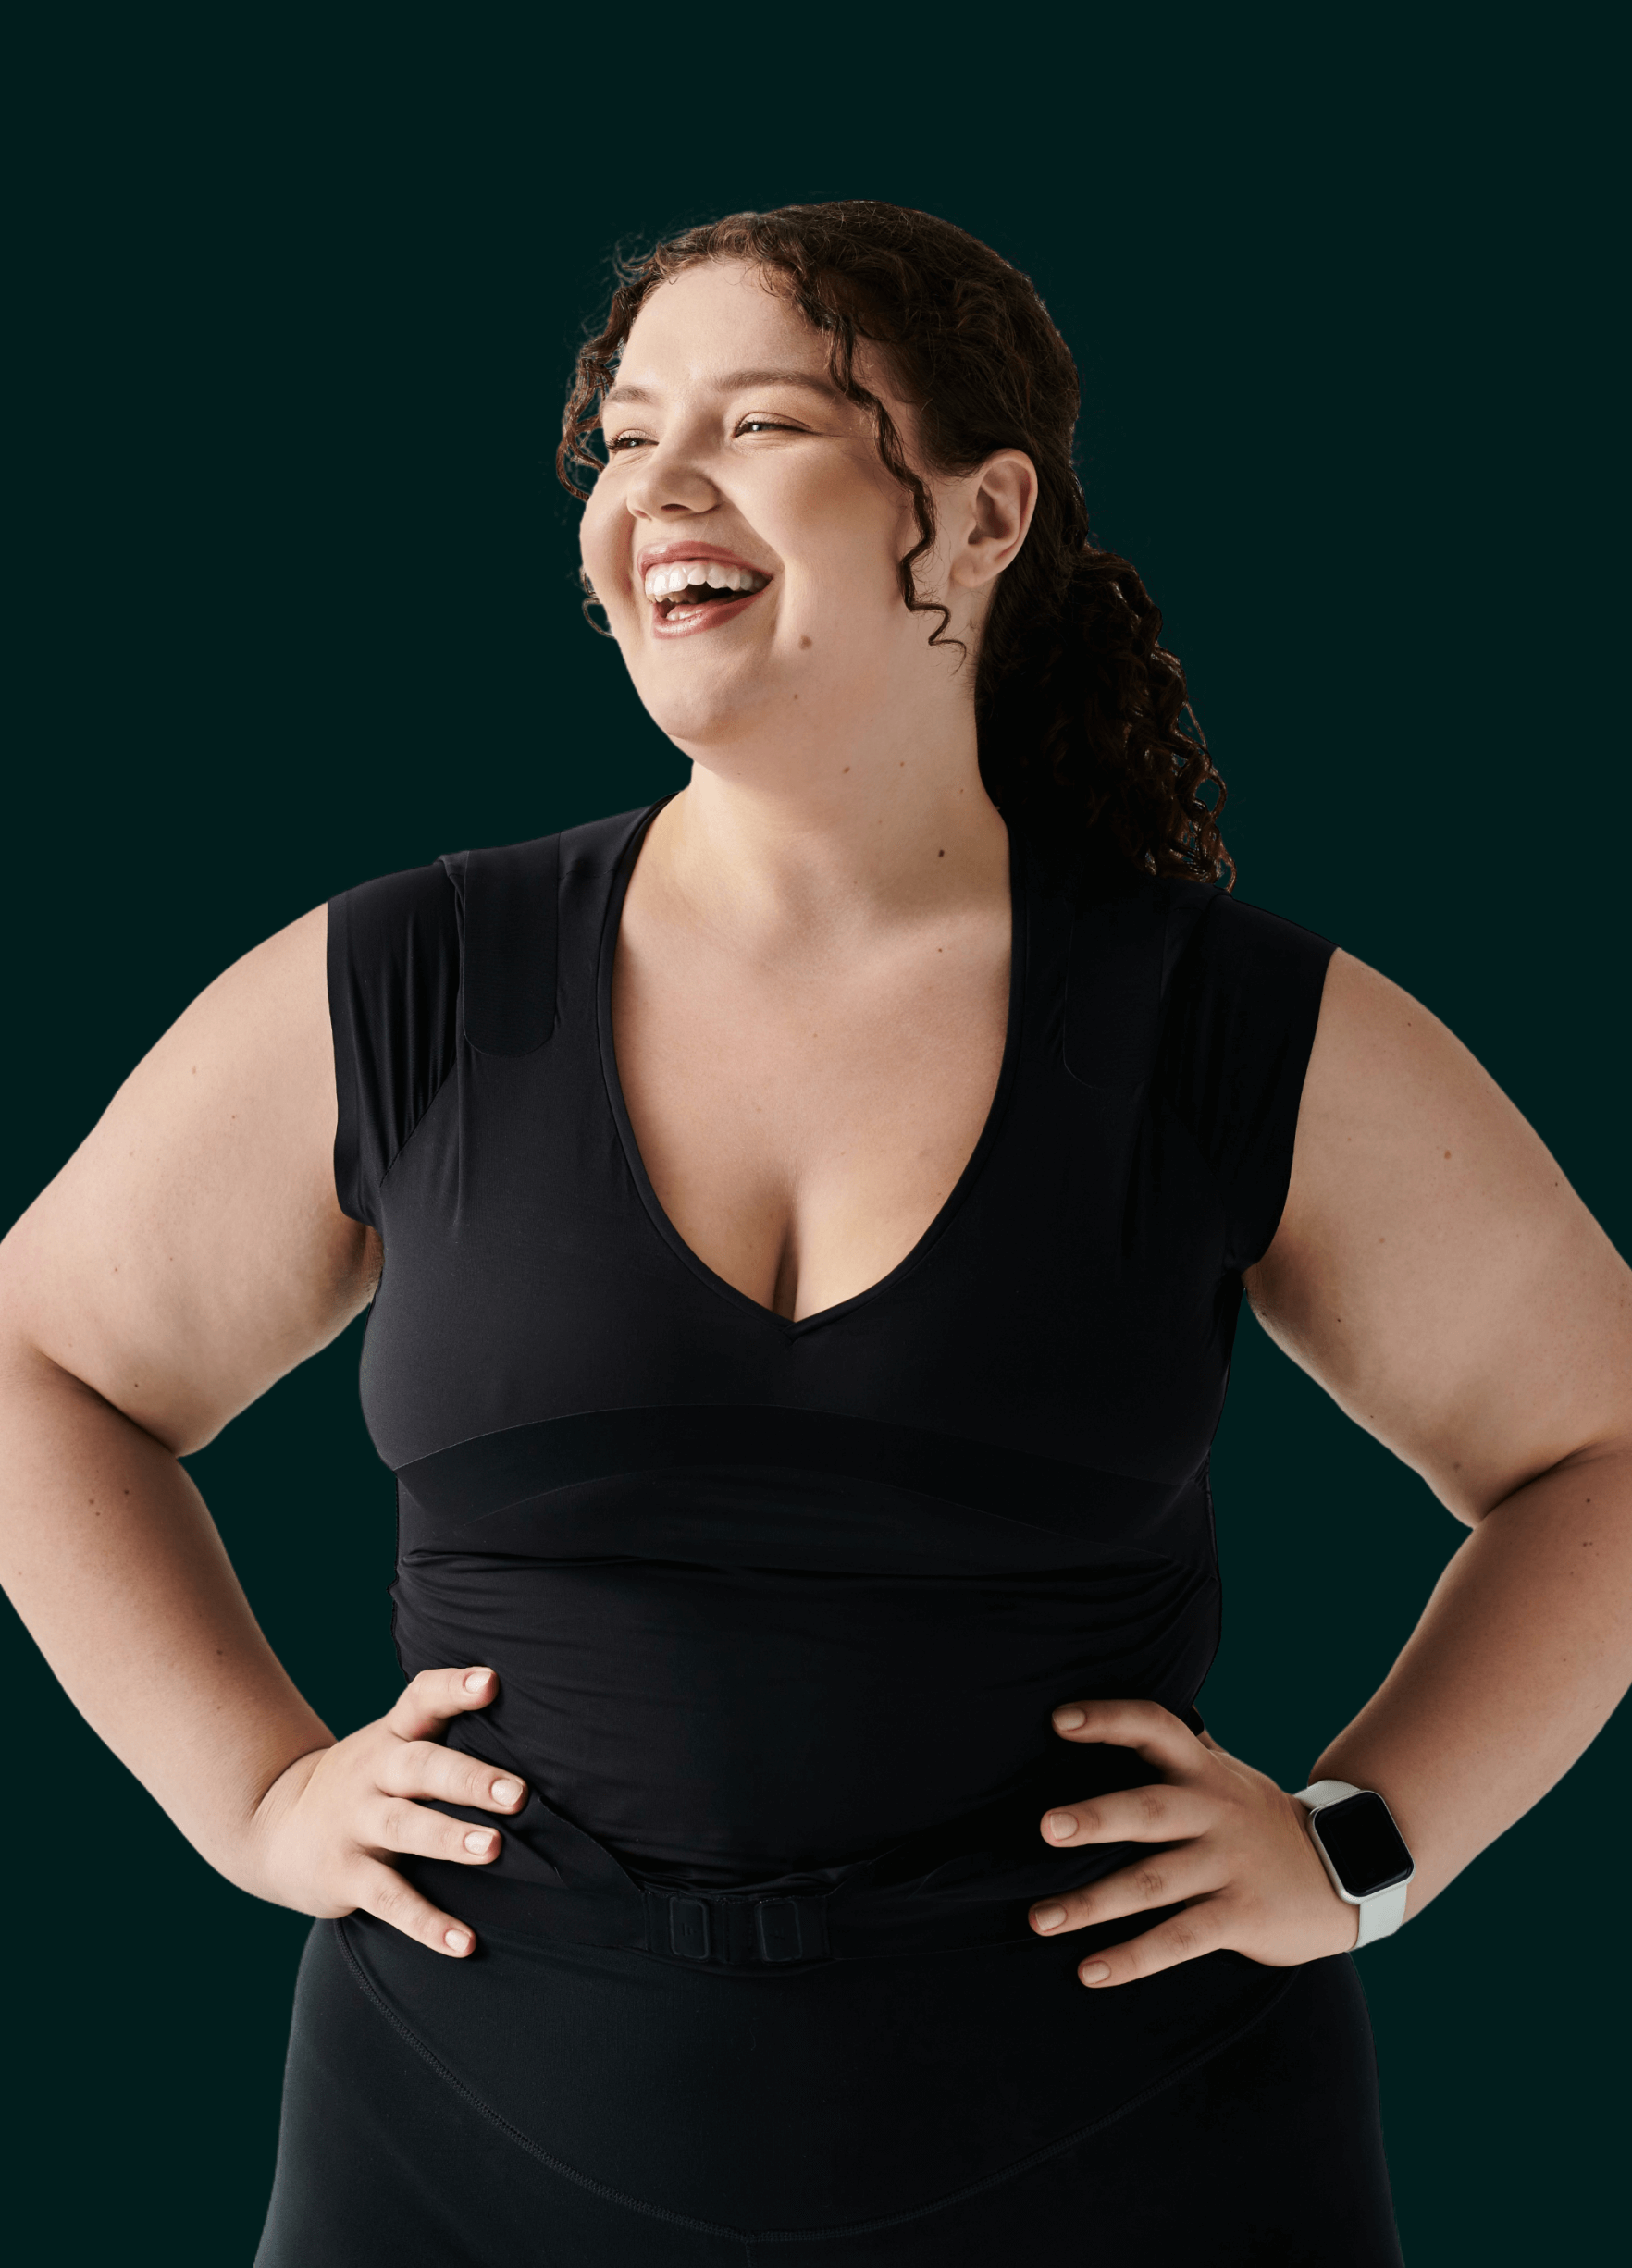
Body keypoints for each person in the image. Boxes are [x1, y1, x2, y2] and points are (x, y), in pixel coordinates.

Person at [1, 201, 1627, 2268]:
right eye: (624, 439)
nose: (657, 489)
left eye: (760, 423)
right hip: (467, 2150)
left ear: (981, 516)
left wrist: (1365, 1846)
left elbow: (1602, 1445)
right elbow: (37, 1365)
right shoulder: (412, 982)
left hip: (1138, 2148)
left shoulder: (1231, 1024)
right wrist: (247, 1792)